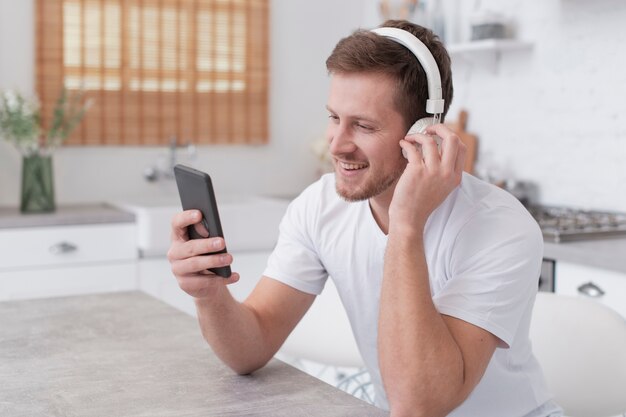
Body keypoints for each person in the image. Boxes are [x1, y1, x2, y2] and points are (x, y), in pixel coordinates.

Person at [168, 19, 562, 417]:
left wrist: (406, 226)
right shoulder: (319, 206)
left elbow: (418, 405)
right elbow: (249, 350)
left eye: (363, 125)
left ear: (424, 131)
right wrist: (210, 295)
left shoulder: (500, 227)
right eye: (334, 117)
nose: (336, 144)